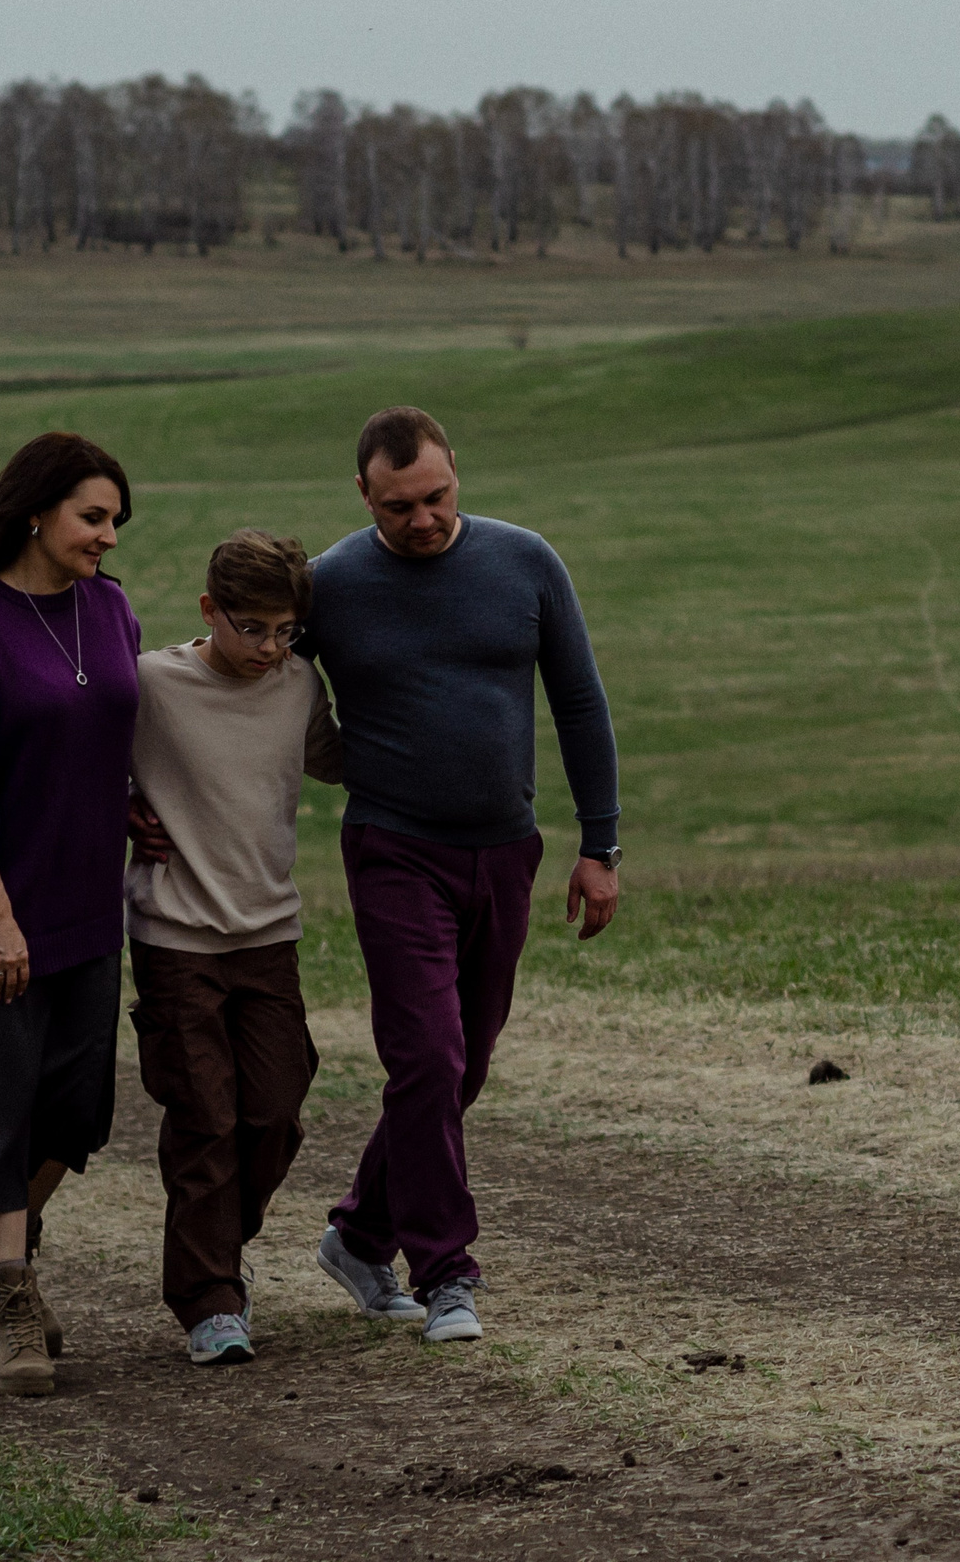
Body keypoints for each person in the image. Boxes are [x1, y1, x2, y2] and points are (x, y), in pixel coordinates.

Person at [299, 405, 620, 1344]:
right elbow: (247, 671)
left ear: (456, 475)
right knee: (428, 1058)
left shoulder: (525, 562)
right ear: (364, 495)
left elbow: (580, 701)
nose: (423, 519)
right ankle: (446, 1273)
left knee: (461, 1065)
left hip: (505, 849)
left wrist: (599, 846)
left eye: (436, 497)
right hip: (394, 849)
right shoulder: (330, 584)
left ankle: (359, 1234)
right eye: (399, 506)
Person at [0, 432, 141, 1397]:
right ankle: (14, 1298)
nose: (108, 539)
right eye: (94, 518)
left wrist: (134, 805)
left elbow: (110, 735)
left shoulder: (112, 610)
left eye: (117, 523)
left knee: (78, 1111)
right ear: (38, 512)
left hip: (91, 903)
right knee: (0, 1111)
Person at [123, 530, 341, 1366]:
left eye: (286, 631)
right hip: (174, 935)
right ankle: (211, 1299)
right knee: (205, 1117)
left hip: (268, 932)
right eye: (251, 628)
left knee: (275, 1110)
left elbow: (338, 759)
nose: (270, 648)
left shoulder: (295, 686)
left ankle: (208, 1244)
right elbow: (78, 755)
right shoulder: (151, 683)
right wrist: (119, 806)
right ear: (210, 610)